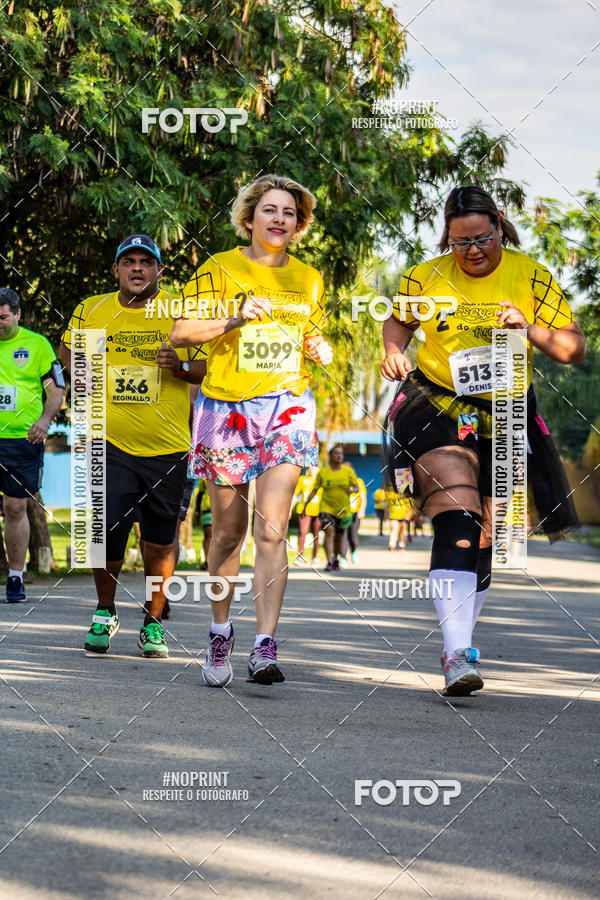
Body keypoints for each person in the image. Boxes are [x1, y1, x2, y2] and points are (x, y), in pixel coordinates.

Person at [381, 185, 584, 696]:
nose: (472, 251)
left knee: (488, 533)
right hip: (437, 404)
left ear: (499, 225)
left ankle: (462, 646)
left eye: (482, 239)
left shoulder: (530, 275)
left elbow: (573, 348)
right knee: (458, 513)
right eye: (459, 242)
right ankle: (455, 655)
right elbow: (398, 321)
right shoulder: (424, 277)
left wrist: (528, 328)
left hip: (507, 413)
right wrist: (393, 350)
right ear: (446, 238)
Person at [170, 174, 333, 687]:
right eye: (270, 210)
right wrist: (234, 320)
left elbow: (309, 334)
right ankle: (220, 631)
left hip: (286, 404)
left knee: (272, 528)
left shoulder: (309, 278)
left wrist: (318, 346)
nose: (279, 219)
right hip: (226, 407)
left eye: (289, 212)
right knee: (228, 532)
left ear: (298, 224)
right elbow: (180, 333)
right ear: (250, 217)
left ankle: (265, 644)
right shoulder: (219, 268)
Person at [60, 235, 206, 658]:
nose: (137, 268)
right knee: (105, 532)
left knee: (159, 541)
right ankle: (105, 611)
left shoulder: (180, 312)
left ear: (159, 270)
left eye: (146, 262)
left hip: (167, 446)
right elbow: (67, 349)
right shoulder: (92, 309)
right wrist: (83, 369)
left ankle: (153, 622)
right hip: (109, 441)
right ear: (116, 270)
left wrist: (180, 367)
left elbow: (208, 365)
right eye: (129, 262)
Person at [0, 288, 65, 602]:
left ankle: (15, 576)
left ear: (17, 315)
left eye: (3, 317)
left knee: (15, 508)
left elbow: (56, 389)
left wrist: (45, 420)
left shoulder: (37, 345)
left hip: (22, 440)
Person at [305, 445, 358, 571]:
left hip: (343, 510)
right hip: (326, 508)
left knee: (339, 537)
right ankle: (329, 561)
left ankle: (335, 558)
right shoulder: (323, 472)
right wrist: (306, 504)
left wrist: (352, 490)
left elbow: (356, 486)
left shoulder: (348, 471)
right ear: (331, 456)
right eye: (336, 453)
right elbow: (315, 490)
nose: (339, 455)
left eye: (341, 453)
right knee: (329, 531)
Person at [292, 466, 320, 565]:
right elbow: (295, 494)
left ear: (318, 469)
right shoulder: (302, 479)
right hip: (303, 510)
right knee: (302, 532)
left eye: (314, 468)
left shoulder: (321, 480)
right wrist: (290, 509)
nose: (311, 469)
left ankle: (315, 557)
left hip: (318, 511)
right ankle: (300, 557)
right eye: (309, 468)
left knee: (316, 534)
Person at [341, 464, 367, 564]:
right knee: (343, 534)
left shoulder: (359, 482)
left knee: (353, 536)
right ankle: (343, 557)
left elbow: (363, 497)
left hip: (355, 513)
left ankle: (353, 551)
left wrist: (362, 510)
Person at [384, 484, 412, 551]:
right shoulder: (390, 495)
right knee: (394, 529)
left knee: (402, 532)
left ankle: (401, 545)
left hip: (403, 516)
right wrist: (385, 516)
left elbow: (410, 507)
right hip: (393, 516)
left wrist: (409, 515)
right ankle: (392, 545)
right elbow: (387, 506)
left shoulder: (406, 496)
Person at [195, 477, 212, 570]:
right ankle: (207, 561)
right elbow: (200, 493)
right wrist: (197, 509)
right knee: (208, 535)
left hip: (221, 511)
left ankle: (217, 561)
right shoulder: (204, 477)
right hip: (207, 509)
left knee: (220, 536)